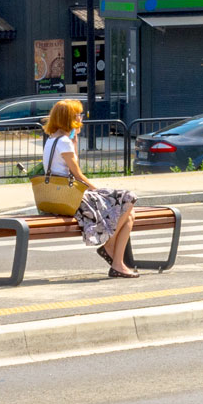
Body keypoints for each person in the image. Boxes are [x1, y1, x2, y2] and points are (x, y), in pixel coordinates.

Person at [41, 99, 140, 278]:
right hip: (72, 198)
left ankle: (118, 264)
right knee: (128, 197)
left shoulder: (53, 139)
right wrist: (97, 190)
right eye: (78, 114)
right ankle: (109, 245)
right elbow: (78, 175)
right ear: (68, 118)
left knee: (130, 214)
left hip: (63, 195)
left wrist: (75, 139)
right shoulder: (64, 142)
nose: (81, 117)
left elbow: (72, 167)